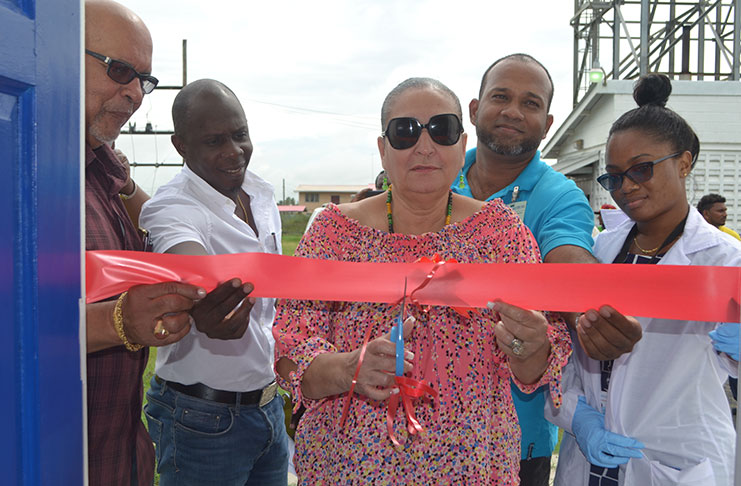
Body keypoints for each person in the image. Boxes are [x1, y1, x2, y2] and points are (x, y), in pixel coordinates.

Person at [273, 77, 571, 484]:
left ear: (461, 142)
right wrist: (349, 369)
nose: (425, 146)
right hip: (350, 467)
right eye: (405, 131)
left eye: (442, 130)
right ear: (383, 148)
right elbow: (290, 346)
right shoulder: (333, 234)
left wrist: (528, 344)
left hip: (471, 467)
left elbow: (535, 362)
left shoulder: (500, 234)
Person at [454, 53, 643, 485]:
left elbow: (566, 256)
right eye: (500, 96)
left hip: (514, 439)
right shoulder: (437, 177)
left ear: (549, 121)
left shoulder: (560, 197)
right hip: (420, 424)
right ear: (474, 109)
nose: (513, 111)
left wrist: (595, 312)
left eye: (531, 103)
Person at [547, 74, 740, 485]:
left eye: (642, 169)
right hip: (590, 461)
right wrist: (577, 415)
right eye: (614, 176)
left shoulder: (725, 261)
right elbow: (564, 353)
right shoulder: (598, 252)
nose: (626, 187)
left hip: (677, 458)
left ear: (684, 162)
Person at [139, 79, 288, 485]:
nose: (234, 151)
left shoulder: (260, 194)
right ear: (181, 146)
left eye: (240, 135)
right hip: (201, 422)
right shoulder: (171, 207)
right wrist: (202, 297)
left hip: (269, 409)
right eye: (214, 141)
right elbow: (188, 260)